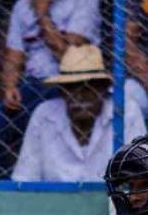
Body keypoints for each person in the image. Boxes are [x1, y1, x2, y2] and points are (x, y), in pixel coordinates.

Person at [0, 0, 100, 177]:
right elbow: (14, 55)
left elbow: (68, 56)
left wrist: (42, 15)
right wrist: (10, 87)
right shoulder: (21, 6)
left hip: (73, 82)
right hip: (33, 84)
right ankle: (5, 182)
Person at [12, 45, 146, 182]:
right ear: (61, 92)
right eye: (71, 87)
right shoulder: (44, 115)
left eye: (88, 87)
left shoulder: (124, 111)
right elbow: (25, 178)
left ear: (104, 88)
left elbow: (140, 176)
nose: (79, 96)